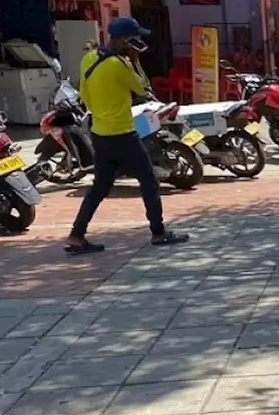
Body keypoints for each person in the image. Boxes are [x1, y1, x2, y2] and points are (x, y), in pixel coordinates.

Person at [65, 17, 189, 255]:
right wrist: (135, 61)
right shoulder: (119, 65)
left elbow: (85, 94)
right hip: (123, 134)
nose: (138, 43)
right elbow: (143, 89)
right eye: (135, 40)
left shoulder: (88, 58)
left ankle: (77, 235)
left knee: (99, 188)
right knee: (149, 181)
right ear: (124, 40)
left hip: (100, 133)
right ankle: (159, 232)